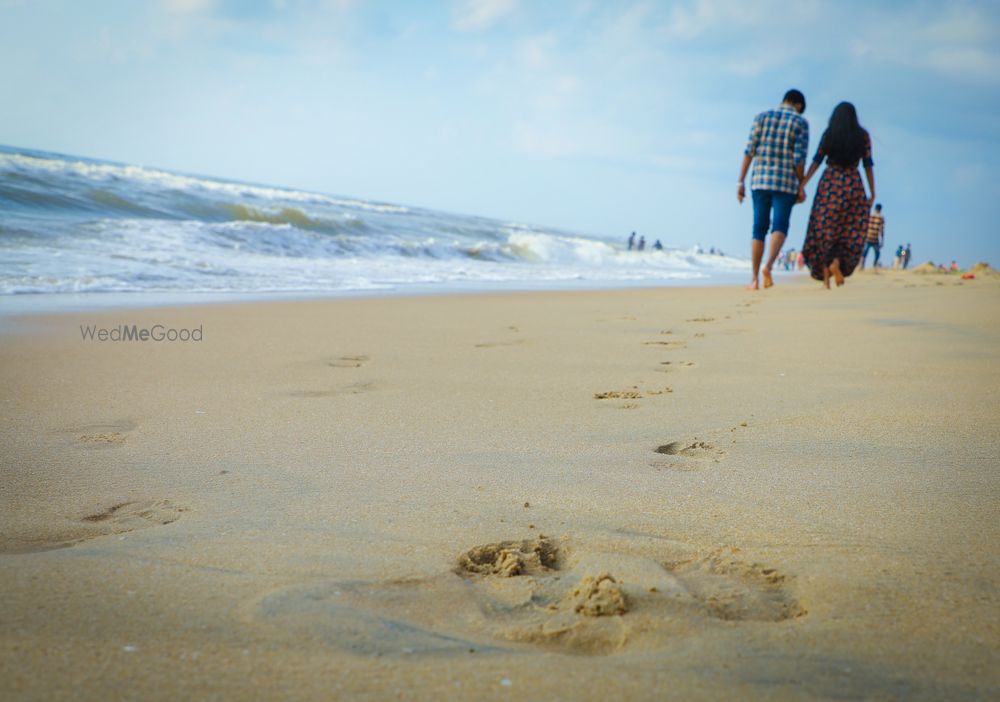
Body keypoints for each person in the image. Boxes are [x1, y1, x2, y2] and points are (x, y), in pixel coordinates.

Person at [738, 89, 809, 290]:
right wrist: (801, 184)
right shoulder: (800, 122)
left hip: (760, 180)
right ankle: (768, 266)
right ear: (799, 105)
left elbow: (749, 151)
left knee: (758, 228)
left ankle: (753, 279)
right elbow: (799, 158)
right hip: (785, 183)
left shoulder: (761, 117)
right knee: (779, 226)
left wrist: (740, 181)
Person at [800, 102, 875, 289]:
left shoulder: (829, 134)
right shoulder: (862, 136)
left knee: (824, 232)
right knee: (848, 233)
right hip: (852, 186)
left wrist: (803, 184)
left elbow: (817, 161)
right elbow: (868, 164)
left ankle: (826, 277)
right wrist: (872, 191)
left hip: (830, 185)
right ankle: (837, 264)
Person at [861, 203, 884, 271]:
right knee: (877, 253)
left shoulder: (870, 215)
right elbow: (882, 229)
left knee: (864, 252)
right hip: (875, 239)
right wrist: (882, 240)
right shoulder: (881, 217)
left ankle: (861, 265)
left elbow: (864, 226)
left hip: (867, 237)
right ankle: (874, 266)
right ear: (880, 209)